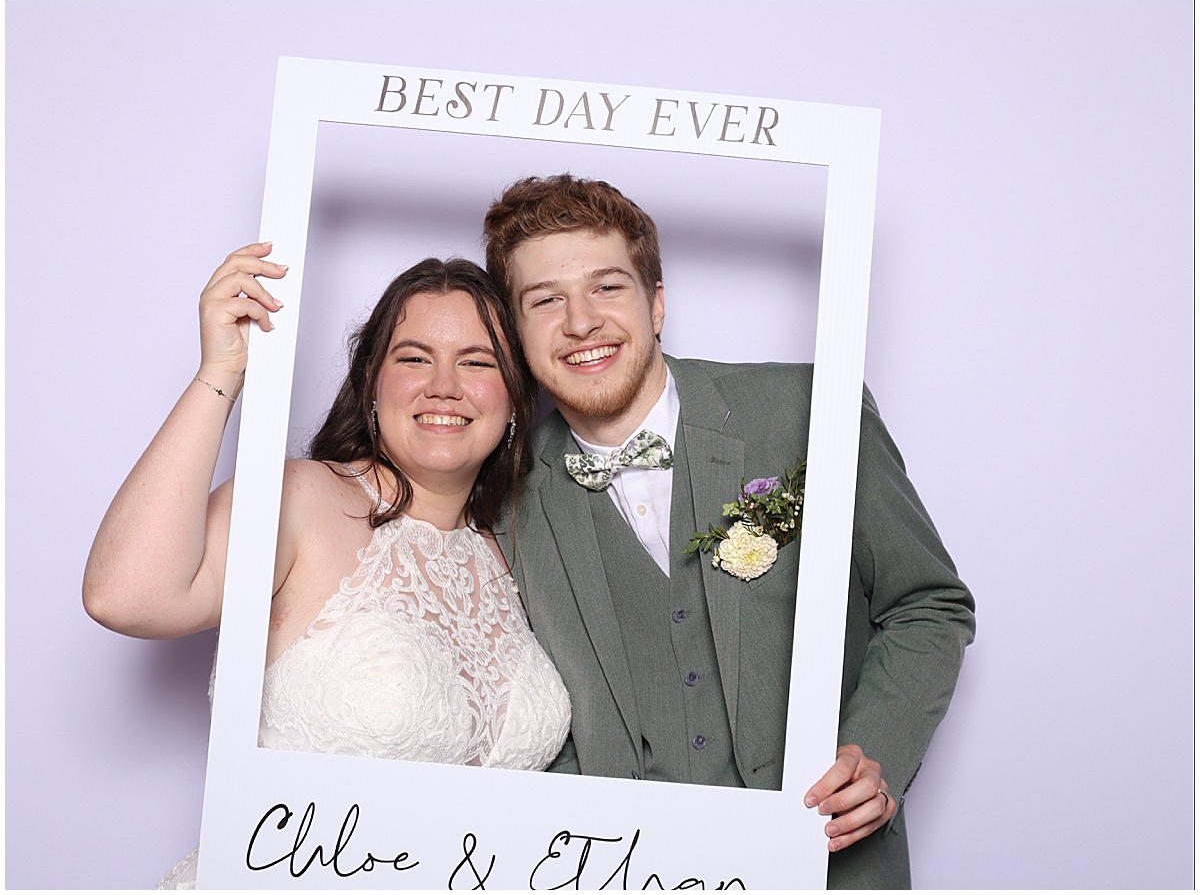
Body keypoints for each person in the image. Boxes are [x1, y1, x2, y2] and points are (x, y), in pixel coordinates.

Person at [482, 175, 975, 889]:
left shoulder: (811, 407)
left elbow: (927, 603)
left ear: (656, 303)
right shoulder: (501, 498)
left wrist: (877, 754)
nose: (580, 321)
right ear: (515, 330)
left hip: (830, 868)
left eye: (607, 288)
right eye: (545, 300)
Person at [82, 244, 570, 888]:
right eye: (414, 358)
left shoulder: (509, 552)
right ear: (371, 380)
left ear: (514, 399)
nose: (443, 386)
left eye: (477, 362)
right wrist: (220, 371)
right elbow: (125, 596)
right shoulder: (300, 500)